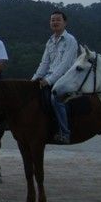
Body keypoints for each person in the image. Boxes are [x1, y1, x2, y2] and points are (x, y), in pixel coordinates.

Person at [31, 10, 79, 144]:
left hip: (67, 77)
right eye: (52, 20)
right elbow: (44, 63)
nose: (55, 22)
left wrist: (49, 80)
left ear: (65, 23)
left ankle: (65, 132)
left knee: (55, 98)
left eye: (58, 20)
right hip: (49, 76)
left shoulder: (70, 40)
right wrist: (34, 80)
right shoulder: (50, 41)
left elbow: (64, 65)